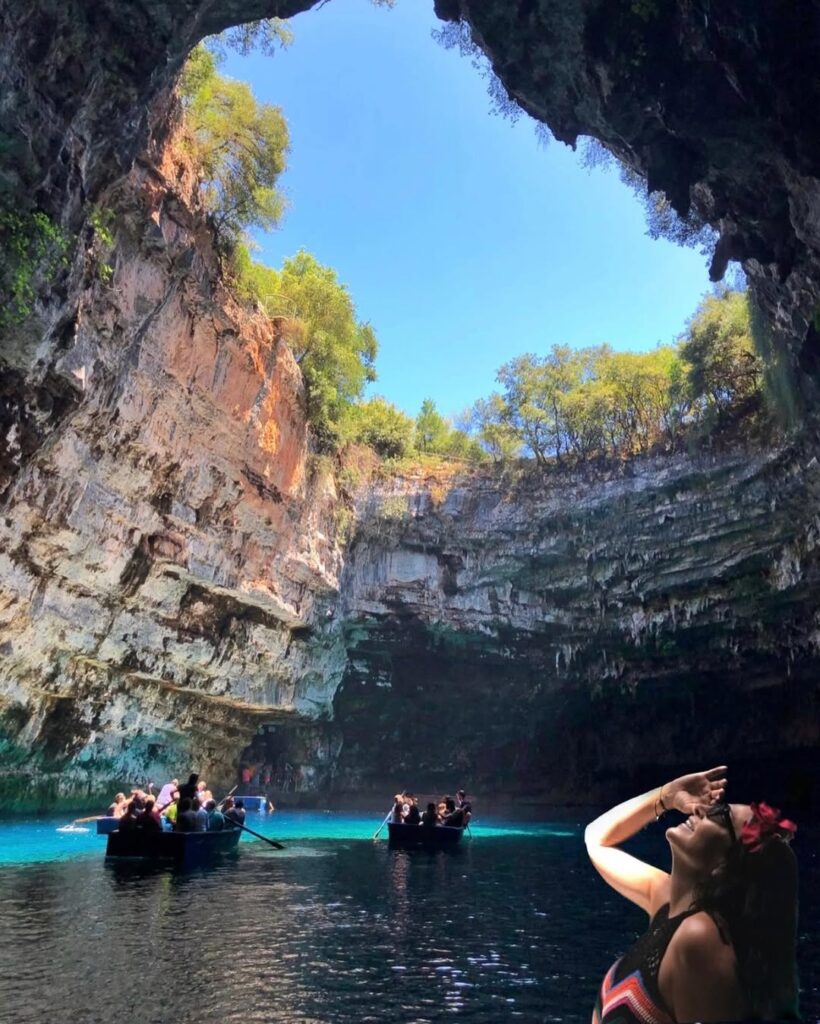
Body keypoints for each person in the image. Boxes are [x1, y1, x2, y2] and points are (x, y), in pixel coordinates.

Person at [585, 765, 799, 1023]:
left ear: (725, 867)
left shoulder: (699, 937)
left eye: (719, 815)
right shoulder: (665, 902)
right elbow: (595, 839)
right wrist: (665, 796)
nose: (701, 809)